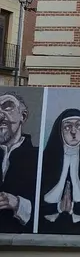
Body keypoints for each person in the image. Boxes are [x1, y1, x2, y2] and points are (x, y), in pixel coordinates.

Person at [39, 109, 80, 234]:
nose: (73, 132)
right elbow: (34, 202)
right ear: (60, 131)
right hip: (48, 227)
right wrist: (58, 207)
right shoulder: (47, 161)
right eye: (68, 127)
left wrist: (74, 207)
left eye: (78, 126)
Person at [0, 92, 38, 233]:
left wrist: (17, 203)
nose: (0, 115)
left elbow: (45, 209)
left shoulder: (39, 157)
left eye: (7, 107)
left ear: (23, 116)